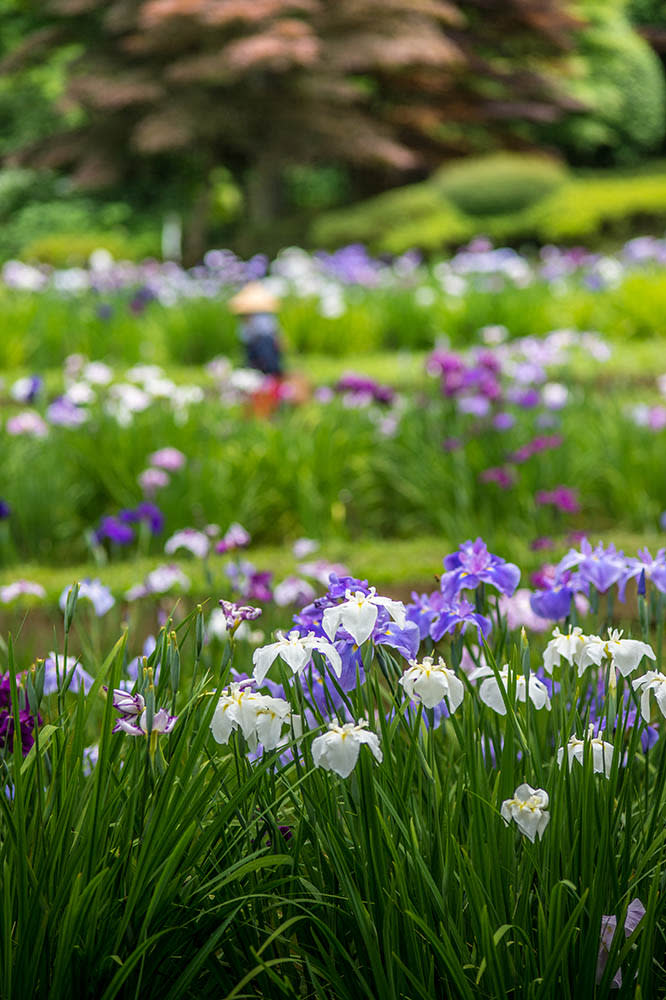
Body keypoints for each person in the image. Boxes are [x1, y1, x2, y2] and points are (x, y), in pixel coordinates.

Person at [228, 282, 284, 376]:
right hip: (254, 344)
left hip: (265, 343)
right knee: (253, 366)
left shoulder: (264, 317)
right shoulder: (244, 319)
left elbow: (272, 331)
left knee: (270, 365)